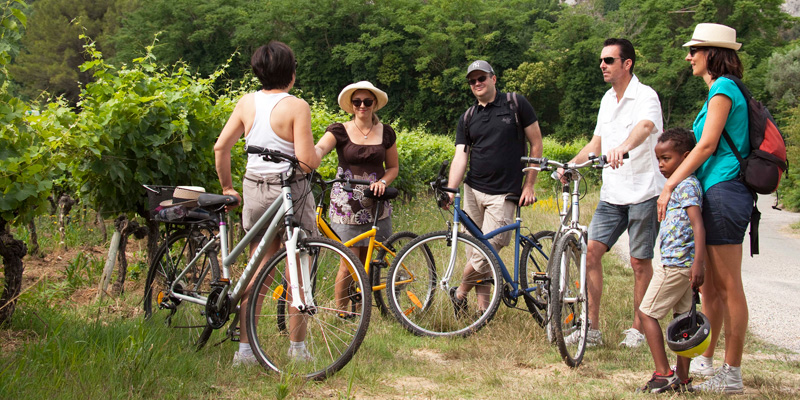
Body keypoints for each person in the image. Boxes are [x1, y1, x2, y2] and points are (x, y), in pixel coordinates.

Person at [656, 23, 751, 394]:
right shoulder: (717, 90)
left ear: (712, 53)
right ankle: (707, 360)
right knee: (711, 288)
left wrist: (670, 184)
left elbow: (707, 145)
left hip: (725, 191)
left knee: (728, 286)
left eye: (693, 50)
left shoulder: (724, 88)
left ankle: (733, 373)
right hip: (715, 191)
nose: (688, 57)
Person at [214, 41, 321, 366]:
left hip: (254, 189)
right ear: (291, 73)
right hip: (289, 190)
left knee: (257, 270)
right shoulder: (297, 106)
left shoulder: (246, 103)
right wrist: (321, 149)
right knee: (297, 269)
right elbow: (306, 162)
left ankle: (245, 351)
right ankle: (297, 351)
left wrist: (228, 187)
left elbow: (221, 148)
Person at [559, 38, 664, 348]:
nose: (602, 65)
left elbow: (645, 128)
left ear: (627, 64)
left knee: (639, 262)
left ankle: (638, 329)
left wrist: (623, 147)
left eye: (609, 60)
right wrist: (569, 165)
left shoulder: (646, 96)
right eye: (601, 60)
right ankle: (591, 328)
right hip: (612, 194)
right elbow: (596, 144)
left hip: (644, 191)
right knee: (590, 252)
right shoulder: (607, 99)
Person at [445, 60, 543, 314]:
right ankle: (482, 311)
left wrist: (530, 184)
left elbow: (536, 143)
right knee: (475, 254)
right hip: (473, 190)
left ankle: (459, 293)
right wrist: (451, 190)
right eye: (472, 81)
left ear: (493, 79)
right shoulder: (468, 117)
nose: (477, 83)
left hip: (505, 193)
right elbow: (460, 157)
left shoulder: (515, 104)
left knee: (486, 250)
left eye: (482, 78)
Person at [314, 81, 398, 313]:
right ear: (351, 105)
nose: (362, 105)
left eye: (367, 101)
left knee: (368, 262)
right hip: (346, 206)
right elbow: (320, 148)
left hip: (376, 204)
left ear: (374, 104)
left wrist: (383, 182)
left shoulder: (386, 132)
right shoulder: (339, 130)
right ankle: (341, 311)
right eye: (357, 101)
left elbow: (393, 168)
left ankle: (362, 308)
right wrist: (310, 156)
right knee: (348, 262)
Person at [637, 128, 705, 393]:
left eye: (666, 158)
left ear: (686, 157)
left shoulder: (686, 185)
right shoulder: (682, 185)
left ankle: (663, 374)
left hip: (677, 265)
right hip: (683, 265)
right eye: (659, 159)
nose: (661, 165)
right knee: (684, 320)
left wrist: (699, 263)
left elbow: (698, 225)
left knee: (646, 313)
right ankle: (683, 379)